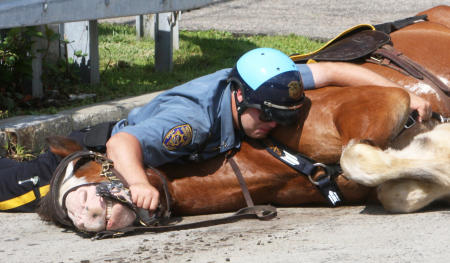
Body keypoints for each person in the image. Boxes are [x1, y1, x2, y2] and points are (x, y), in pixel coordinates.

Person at [0, 48, 431, 213]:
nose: (271, 125)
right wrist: (136, 183)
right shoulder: (193, 123)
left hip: (127, 145)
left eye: (282, 119)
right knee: (13, 196)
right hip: (92, 155)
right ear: (240, 97)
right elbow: (123, 142)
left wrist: (402, 93)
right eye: (264, 116)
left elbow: (335, 68)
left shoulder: (270, 78)